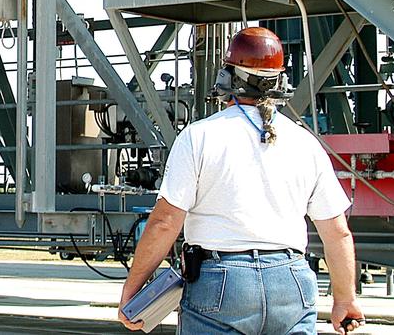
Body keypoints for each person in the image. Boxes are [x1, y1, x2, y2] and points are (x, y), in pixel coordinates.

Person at [118, 27, 365, 335]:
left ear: (227, 77)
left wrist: (134, 289)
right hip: (292, 282)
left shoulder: (199, 137)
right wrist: (345, 299)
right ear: (280, 82)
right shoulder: (306, 143)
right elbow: (337, 233)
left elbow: (165, 222)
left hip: (221, 284)